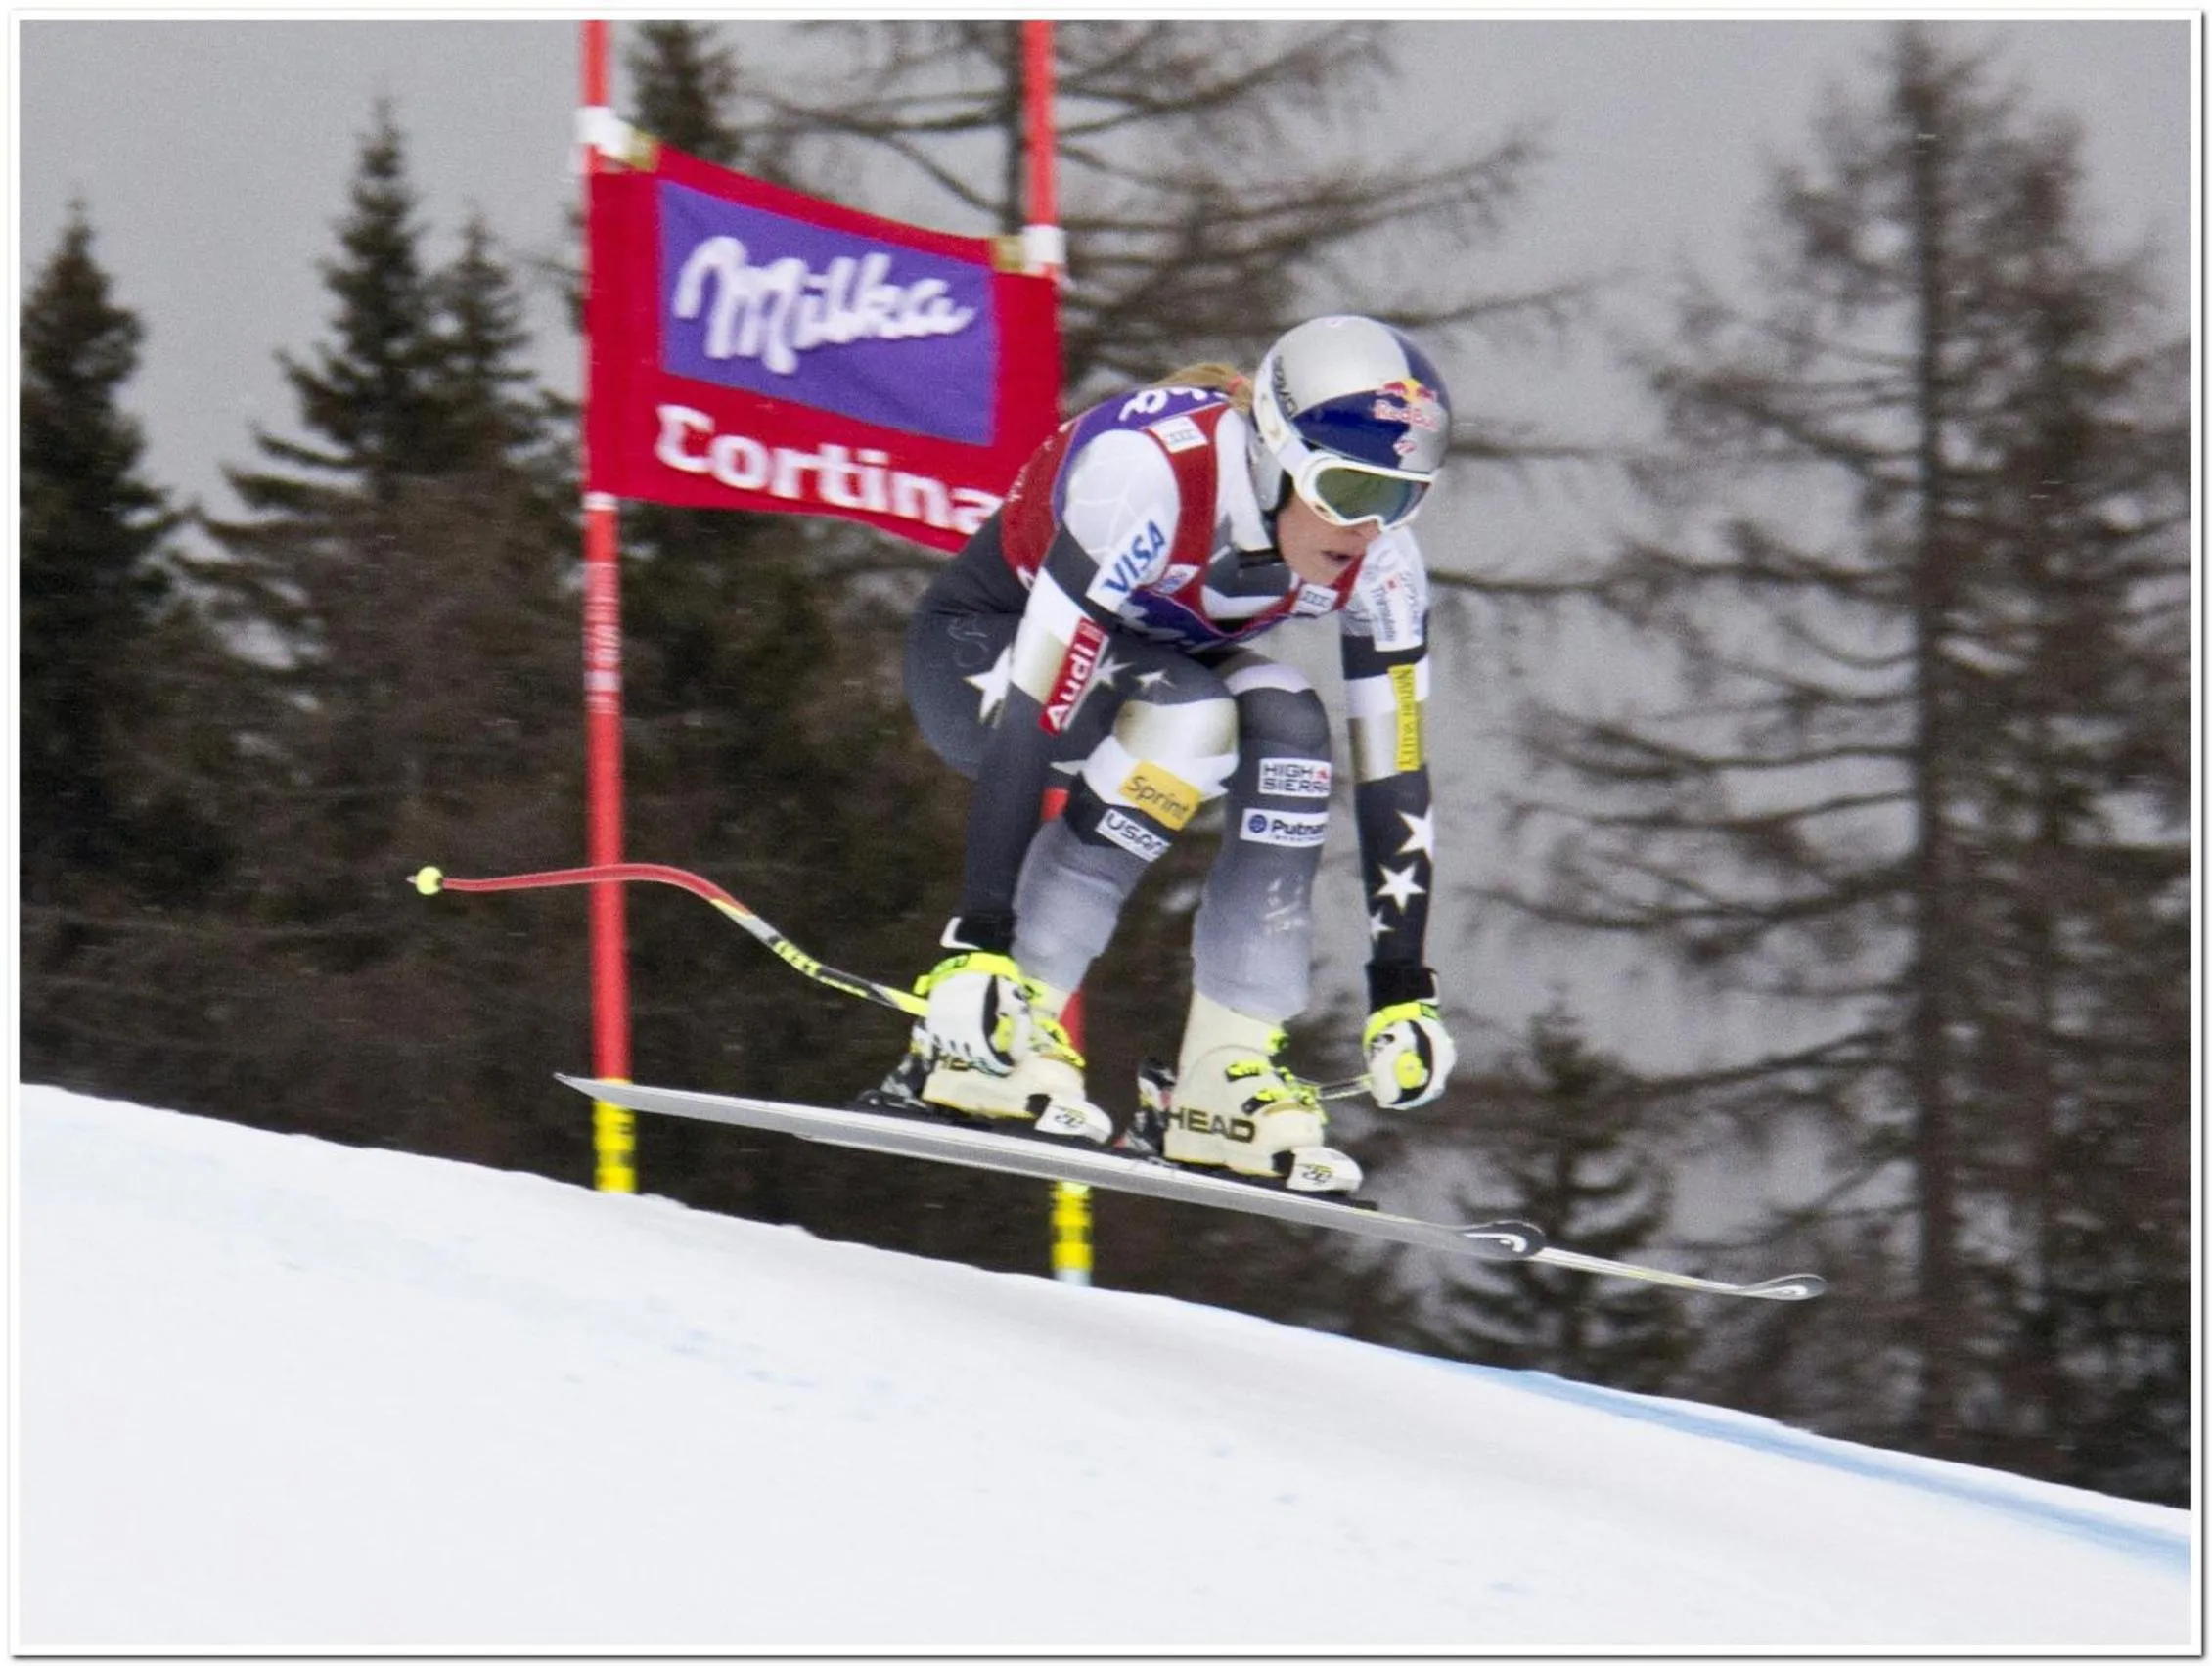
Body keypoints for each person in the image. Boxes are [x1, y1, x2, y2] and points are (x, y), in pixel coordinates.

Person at [871, 314, 1458, 1194]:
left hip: (1142, 675)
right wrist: (978, 942)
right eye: (1346, 490)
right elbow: (1037, 701)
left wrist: (1403, 988)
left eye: (1402, 498)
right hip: (981, 660)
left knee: (1290, 721)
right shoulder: (1146, 474)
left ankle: (1223, 1076)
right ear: (1273, 454)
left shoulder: (1382, 563)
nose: (1369, 528)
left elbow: (1395, 769)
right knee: (1190, 715)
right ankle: (994, 1031)